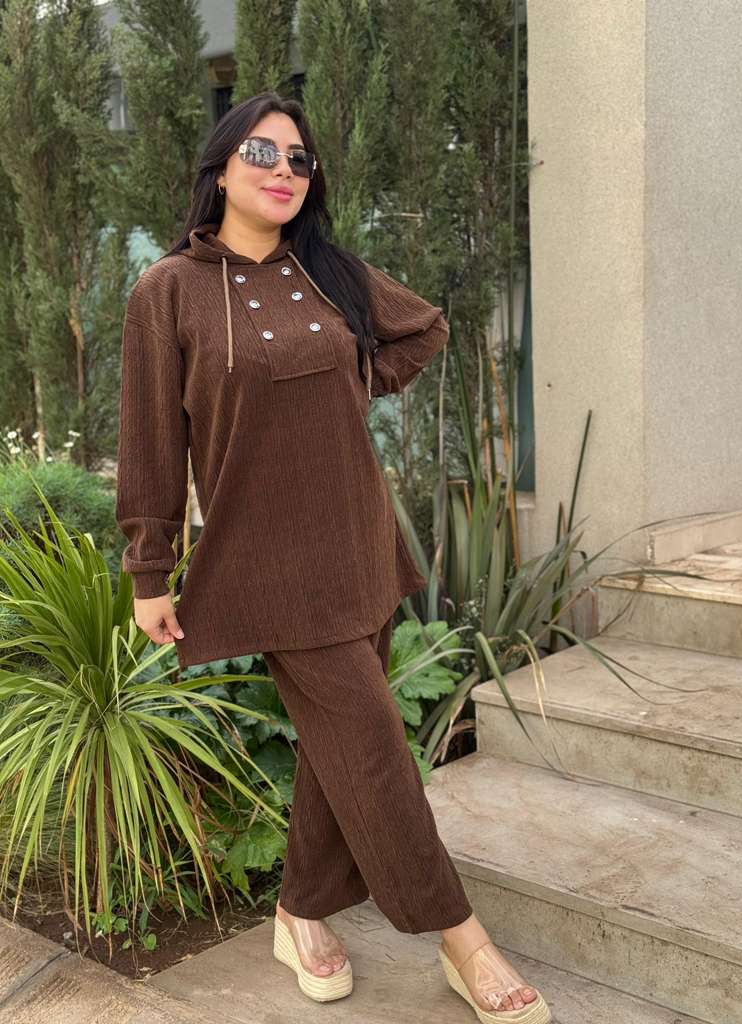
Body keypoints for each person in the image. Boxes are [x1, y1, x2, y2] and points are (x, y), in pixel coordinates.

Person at [115, 90, 551, 1022]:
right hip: (268, 564)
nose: (284, 171)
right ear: (220, 169)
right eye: (262, 153)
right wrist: (150, 570)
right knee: (374, 749)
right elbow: (152, 439)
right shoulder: (169, 291)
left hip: (360, 541)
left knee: (337, 748)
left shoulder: (328, 271)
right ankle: (461, 939)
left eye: (299, 160)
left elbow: (422, 327)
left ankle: (300, 909)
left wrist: (358, 377)